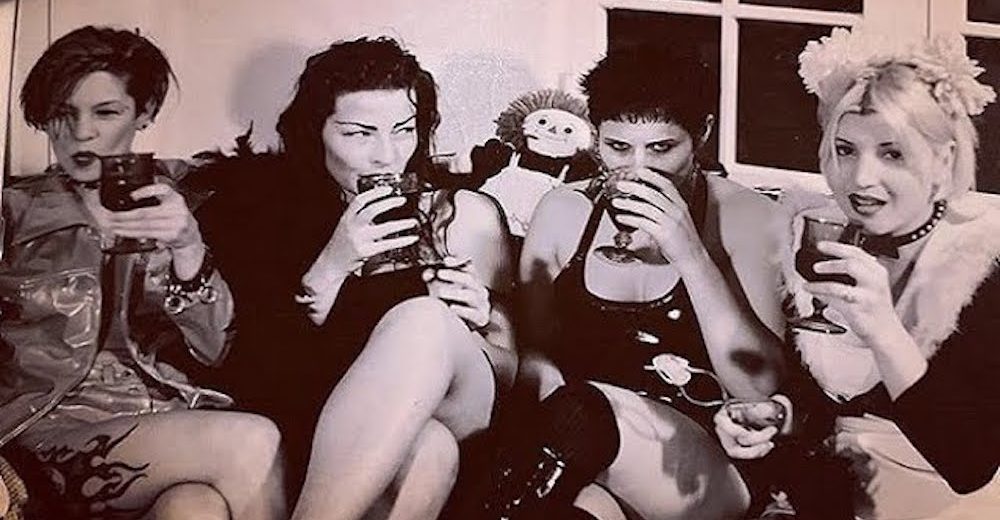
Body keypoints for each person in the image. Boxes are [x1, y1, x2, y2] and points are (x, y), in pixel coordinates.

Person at [195, 36, 516, 519]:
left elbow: (511, 374)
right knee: (428, 448)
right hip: (329, 422)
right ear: (314, 132)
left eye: (403, 130)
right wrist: (333, 264)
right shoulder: (258, 211)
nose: (387, 155)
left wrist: (484, 320)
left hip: (462, 404)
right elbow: (250, 373)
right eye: (359, 134)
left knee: (425, 320)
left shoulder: (461, 213)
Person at [0, 26, 286, 519]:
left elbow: (219, 352)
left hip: (169, 420)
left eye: (106, 112)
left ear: (145, 112)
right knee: (253, 440)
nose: (82, 133)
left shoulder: (203, 196)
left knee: (195, 508)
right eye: (64, 114)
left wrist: (188, 246)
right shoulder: (14, 211)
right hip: (45, 434)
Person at [714, 27, 1000, 519]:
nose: (861, 179)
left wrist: (883, 331)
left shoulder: (984, 260)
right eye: (845, 150)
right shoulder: (816, 236)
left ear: (943, 159)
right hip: (836, 497)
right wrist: (779, 415)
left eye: (892, 153)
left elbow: (969, 464)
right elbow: (823, 405)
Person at [493, 44, 788, 519]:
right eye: (617, 147)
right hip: (578, 445)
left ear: (702, 134)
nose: (638, 169)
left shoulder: (749, 216)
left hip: (706, 462)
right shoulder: (564, 210)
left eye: (662, 148)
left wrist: (689, 252)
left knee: (581, 410)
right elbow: (536, 352)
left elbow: (758, 386)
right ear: (596, 138)